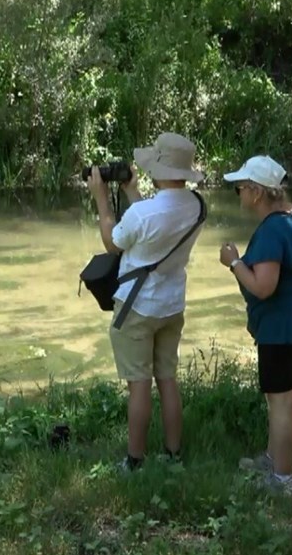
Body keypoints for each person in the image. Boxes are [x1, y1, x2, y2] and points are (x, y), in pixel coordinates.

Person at [86, 132, 205, 472]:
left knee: (138, 384)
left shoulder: (145, 214)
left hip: (137, 307)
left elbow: (113, 241)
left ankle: (135, 461)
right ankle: (173, 455)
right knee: (167, 379)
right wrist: (131, 192)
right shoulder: (197, 206)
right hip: (171, 306)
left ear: (159, 169)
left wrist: (101, 199)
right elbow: (154, 221)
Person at [219, 156, 292, 496]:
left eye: (240, 188)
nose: (238, 193)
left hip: (284, 326)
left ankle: (283, 479)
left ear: (255, 192)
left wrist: (234, 261)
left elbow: (263, 286)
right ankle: (273, 458)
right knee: (281, 395)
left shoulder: (273, 229)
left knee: (281, 401)